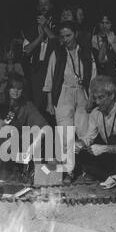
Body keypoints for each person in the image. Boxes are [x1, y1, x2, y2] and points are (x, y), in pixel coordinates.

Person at [43, 21, 97, 177]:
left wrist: (91, 98)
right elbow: (50, 78)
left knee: (85, 132)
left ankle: (86, 167)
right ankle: (69, 171)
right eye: (63, 36)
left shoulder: (86, 53)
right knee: (65, 134)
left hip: (82, 93)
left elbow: (93, 77)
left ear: (76, 34)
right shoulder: (57, 53)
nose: (66, 39)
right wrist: (49, 102)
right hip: (63, 94)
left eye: (69, 35)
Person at [75, 76, 116, 195]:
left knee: (115, 138)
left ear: (112, 96)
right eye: (95, 98)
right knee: (86, 156)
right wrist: (80, 143)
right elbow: (89, 137)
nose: (97, 102)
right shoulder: (95, 113)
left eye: (101, 97)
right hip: (113, 156)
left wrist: (103, 148)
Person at [22, 0, 57, 112]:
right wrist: (40, 36)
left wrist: (45, 27)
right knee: (38, 103)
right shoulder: (32, 26)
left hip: (53, 67)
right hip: (37, 68)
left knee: (53, 103)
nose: (43, 7)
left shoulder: (57, 23)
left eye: (45, 3)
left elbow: (56, 41)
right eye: (40, 4)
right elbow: (26, 50)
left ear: (51, 5)